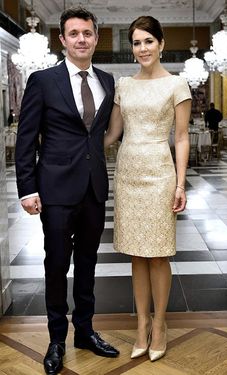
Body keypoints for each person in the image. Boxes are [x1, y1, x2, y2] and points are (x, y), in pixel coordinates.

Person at [15, 6, 119, 375]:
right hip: (55, 189)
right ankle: (56, 338)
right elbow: (26, 139)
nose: (81, 39)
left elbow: (104, 133)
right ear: (62, 40)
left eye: (87, 33)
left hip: (93, 188)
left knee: (89, 265)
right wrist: (27, 188)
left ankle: (85, 331)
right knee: (57, 266)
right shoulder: (43, 80)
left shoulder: (107, 80)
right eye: (73, 33)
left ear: (95, 37)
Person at [105, 16, 191, 362]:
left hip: (159, 172)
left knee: (158, 253)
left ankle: (161, 322)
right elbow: (111, 135)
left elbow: (182, 138)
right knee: (136, 254)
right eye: (136, 43)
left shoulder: (177, 85)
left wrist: (180, 183)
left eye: (148, 41)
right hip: (128, 172)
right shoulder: (123, 85)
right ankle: (141, 325)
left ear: (161, 44)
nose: (142, 48)